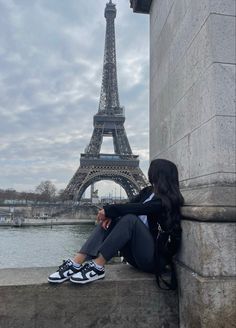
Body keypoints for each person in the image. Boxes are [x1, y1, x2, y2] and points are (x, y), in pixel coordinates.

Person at [48, 158, 184, 285]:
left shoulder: (169, 199)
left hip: (154, 260)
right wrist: (111, 216)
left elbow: (141, 208)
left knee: (130, 219)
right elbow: (129, 206)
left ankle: (98, 265)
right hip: (134, 256)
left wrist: (109, 210)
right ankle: (76, 261)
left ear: (157, 174)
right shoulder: (148, 192)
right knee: (114, 219)